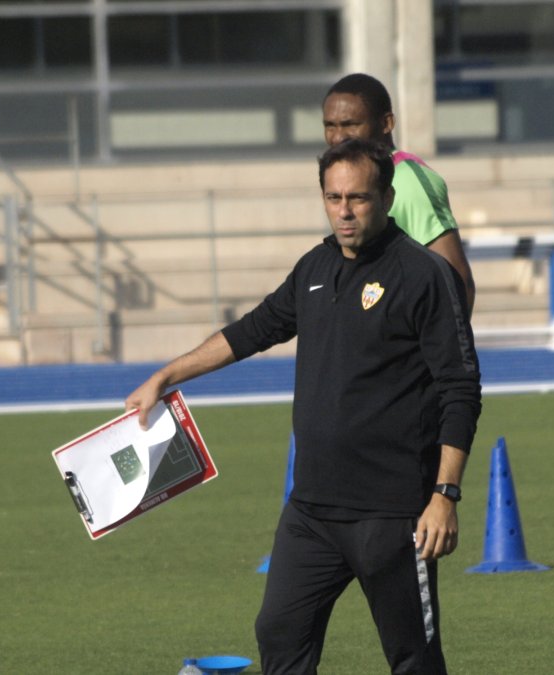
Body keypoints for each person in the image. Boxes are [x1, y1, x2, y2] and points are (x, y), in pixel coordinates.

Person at [123, 139, 482, 674]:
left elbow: (461, 389)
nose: (344, 210)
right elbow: (252, 332)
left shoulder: (422, 275)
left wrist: (444, 495)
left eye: (358, 197)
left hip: (392, 513)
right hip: (312, 512)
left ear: (385, 196)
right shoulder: (313, 268)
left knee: (414, 656)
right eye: (333, 197)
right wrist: (166, 375)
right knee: (279, 632)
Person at [322, 73, 476, 314]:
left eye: (350, 124)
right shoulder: (344, 179)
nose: (338, 137)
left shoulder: (409, 181)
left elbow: (457, 282)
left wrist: (433, 350)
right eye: (330, 126)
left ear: (386, 123)